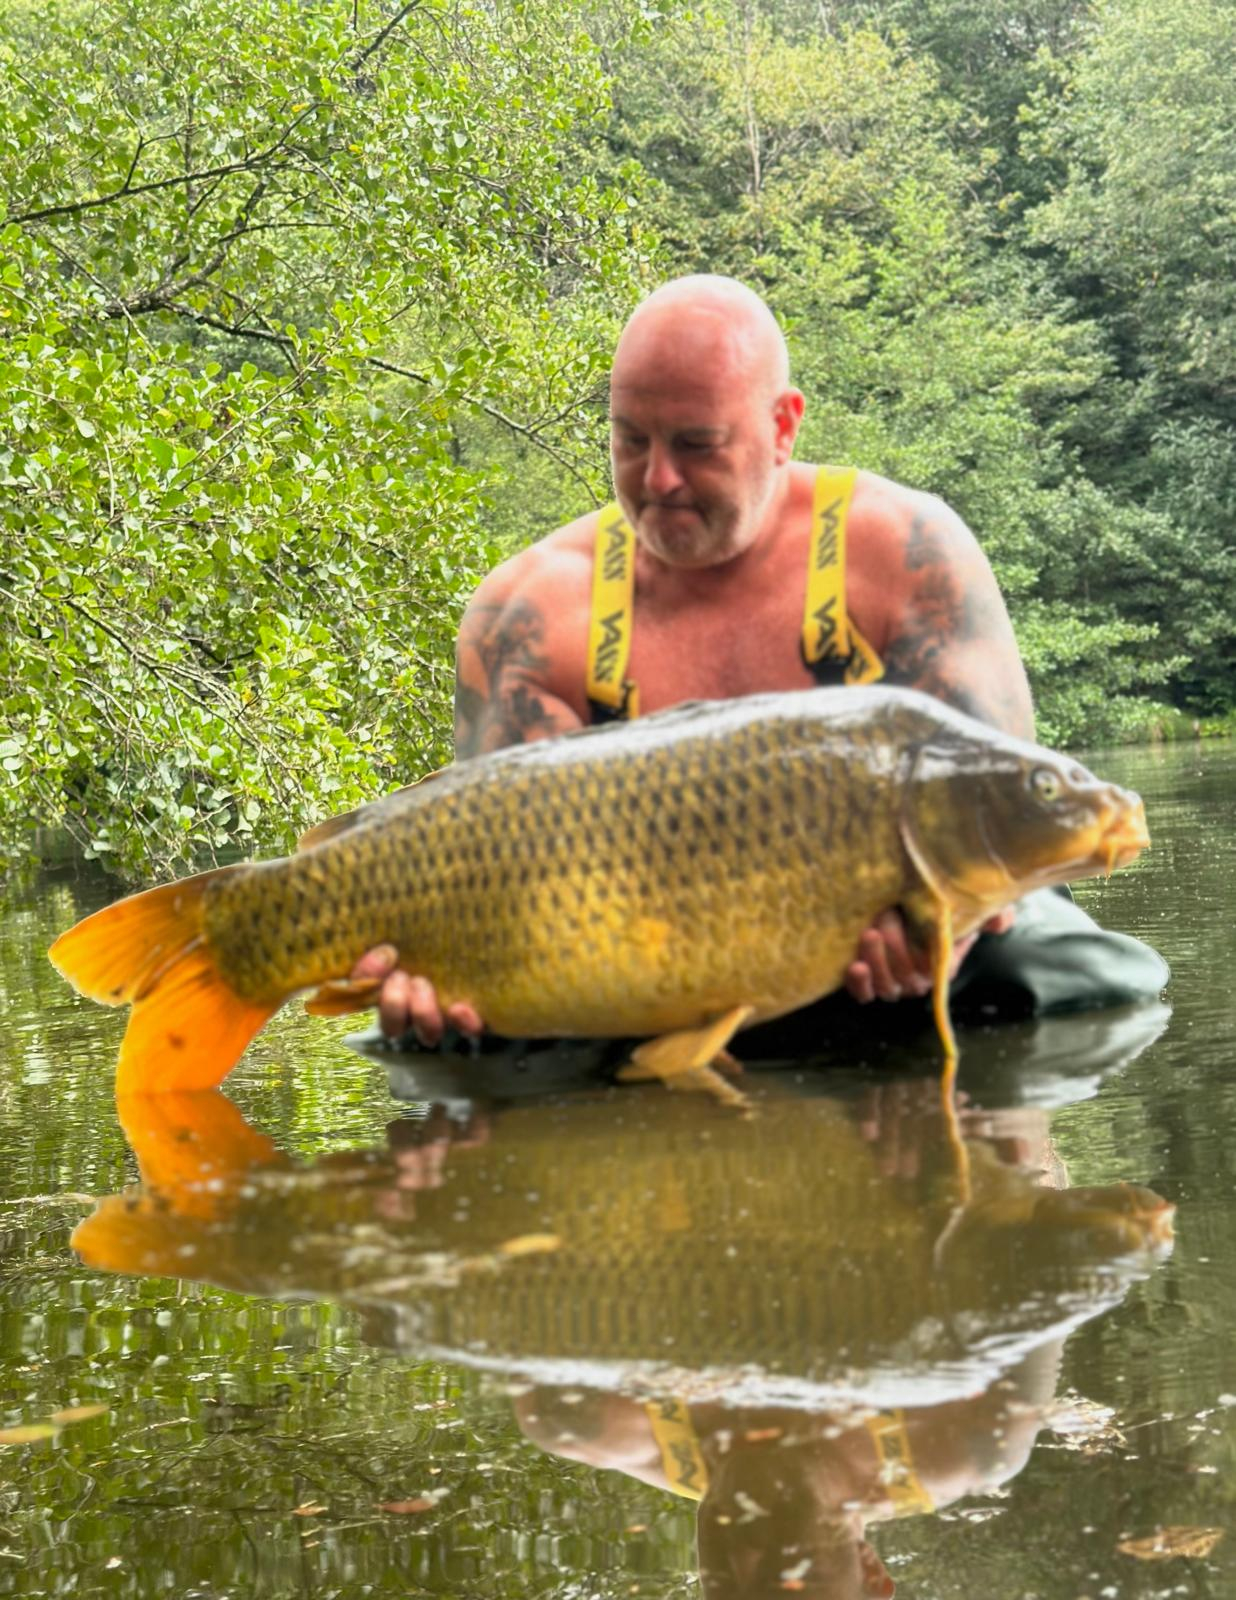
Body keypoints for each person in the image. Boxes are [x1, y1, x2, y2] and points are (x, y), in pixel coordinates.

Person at [356, 274, 1166, 1045]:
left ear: (782, 427)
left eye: (697, 444)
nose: (658, 478)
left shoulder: (905, 550)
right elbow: (491, 880)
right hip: (643, 955)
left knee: (1056, 970)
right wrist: (440, 978)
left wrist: (944, 935)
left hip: (878, 947)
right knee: (448, 1039)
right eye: (630, 440)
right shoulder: (527, 612)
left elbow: (998, 818)